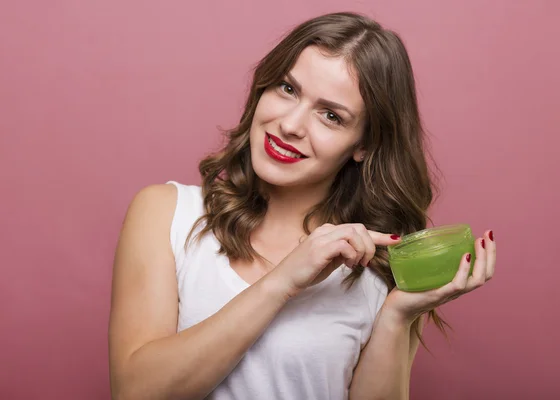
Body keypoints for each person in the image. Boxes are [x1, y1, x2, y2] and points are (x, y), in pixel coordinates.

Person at [108, 11, 496, 400]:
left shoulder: (377, 271)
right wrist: (283, 281)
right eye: (287, 89)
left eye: (330, 116)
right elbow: (136, 391)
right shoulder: (168, 214)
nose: (291, 125)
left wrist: (397, 316)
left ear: (363, 145)